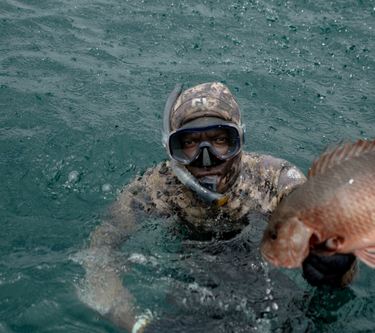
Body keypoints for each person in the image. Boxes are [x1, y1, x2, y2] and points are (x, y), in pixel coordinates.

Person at [75, 82, 358, 332]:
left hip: (266, 280)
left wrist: (339, 263)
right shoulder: (157, 187)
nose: (206, 157)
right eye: (189, 143)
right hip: (193, 284)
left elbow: (325, 227)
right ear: (173, 149)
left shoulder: (273, 179)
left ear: (240, 140)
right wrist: (141, 325)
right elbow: (99, 253)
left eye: (221, 140)